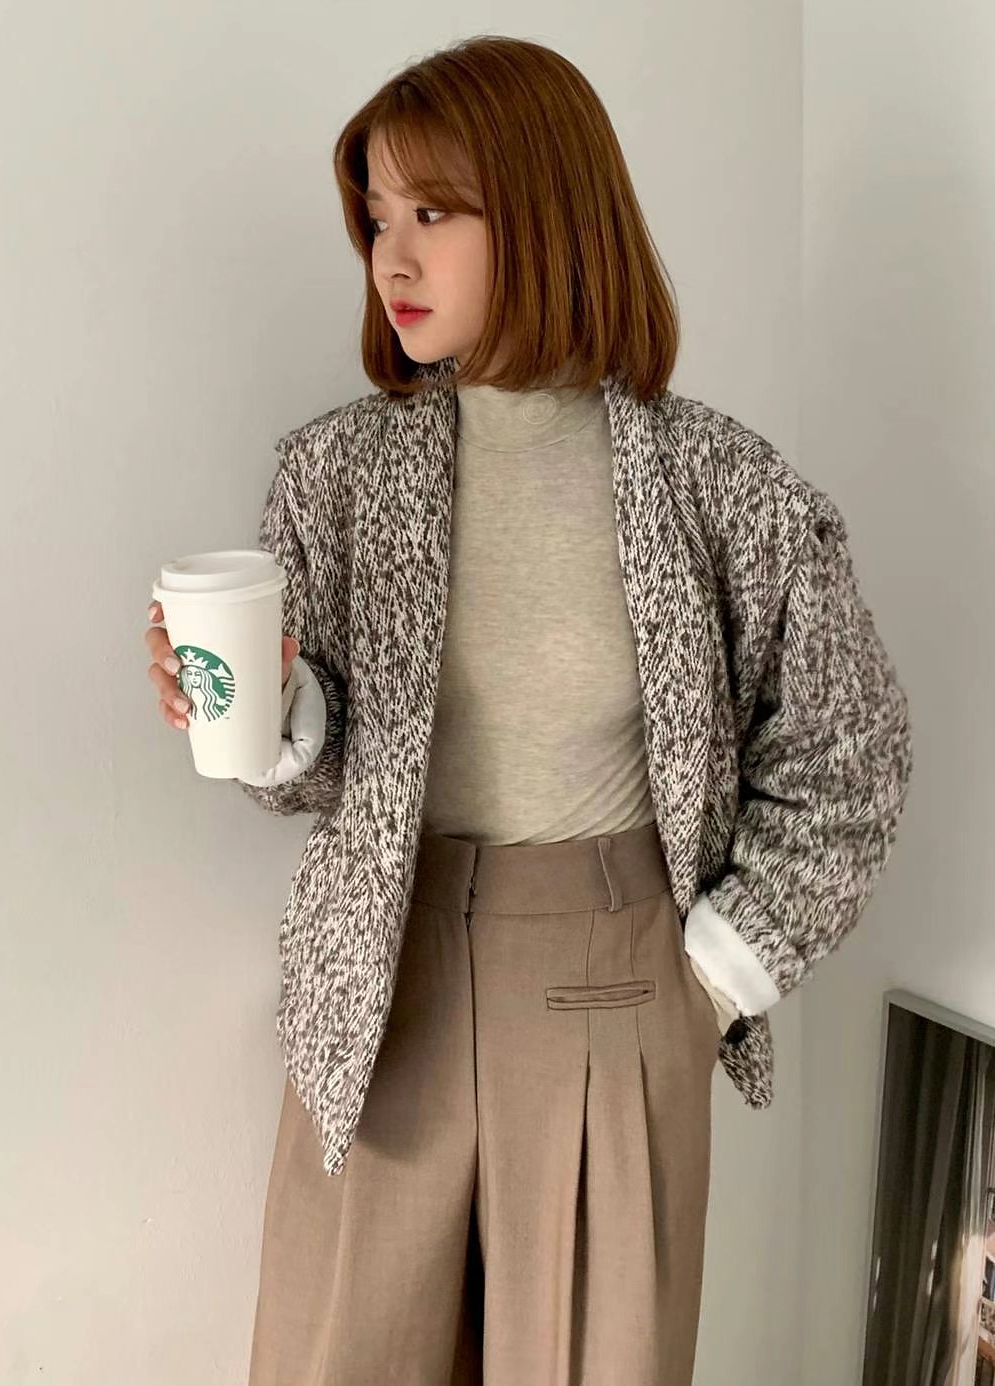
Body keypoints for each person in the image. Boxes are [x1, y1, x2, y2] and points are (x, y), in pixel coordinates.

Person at [143, 34, 913, 1386]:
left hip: (619, 982)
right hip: (381, 989)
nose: (391, 259)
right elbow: (312, 775)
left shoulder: (723, 486)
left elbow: (850, 756)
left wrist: (712, 979)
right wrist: (266, 712)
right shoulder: (335, 473)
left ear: (550, 211)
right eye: (376, 218)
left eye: (433, 214)